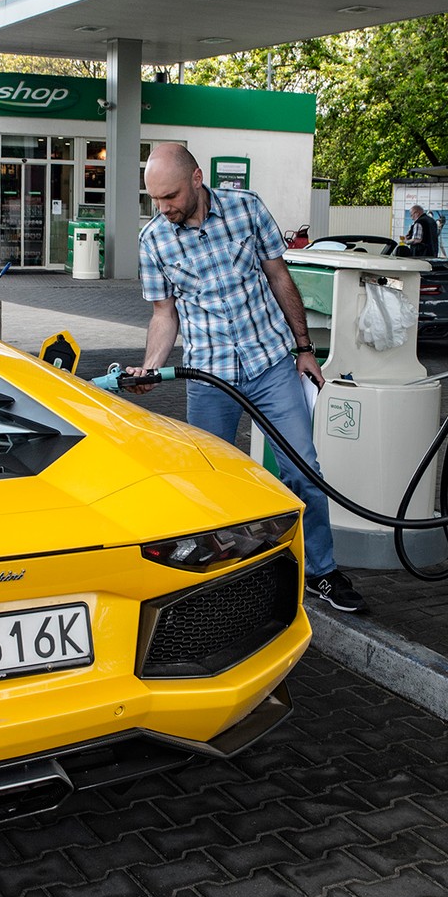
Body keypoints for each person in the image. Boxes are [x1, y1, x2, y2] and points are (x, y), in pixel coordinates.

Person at [126, 143, 368, 614]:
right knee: (207, 487)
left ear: (197, 178)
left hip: (270, 364)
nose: (163, 208)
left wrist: (304, 348)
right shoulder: (154, 239)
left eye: (170, 196)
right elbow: (163, 314)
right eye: (154, 200)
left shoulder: (247, 208)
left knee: (303, 471)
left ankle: (321, 571)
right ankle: (215, 583)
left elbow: (280, 277)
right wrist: (152, 365)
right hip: (210, 376)